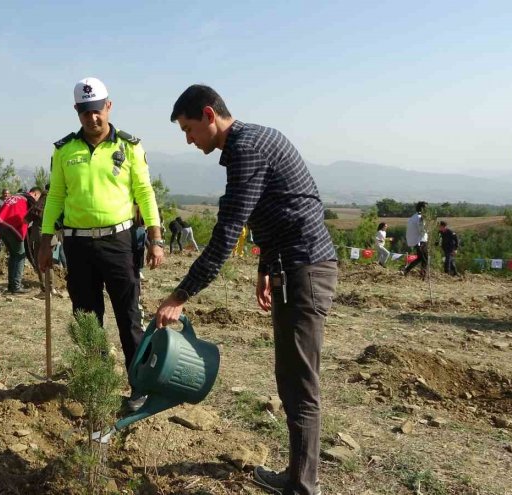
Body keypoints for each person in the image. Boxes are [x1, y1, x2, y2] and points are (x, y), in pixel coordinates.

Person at [154, 85, 337, 495]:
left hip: (305, 270)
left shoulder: (246, 150)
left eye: (188, 129)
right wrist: (265, 268)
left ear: (208, 114)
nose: (188, 139)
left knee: (300, 383)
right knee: (290, 375)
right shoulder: (256, 139)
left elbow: (225, 236)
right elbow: (282, 209)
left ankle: (303, 486)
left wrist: (180, 296)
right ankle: (297, 478)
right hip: (294, 265)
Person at [37, 77, 165, 410]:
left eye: (97, 111)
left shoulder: (130, 146)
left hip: (119, 242)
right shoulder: (64, 150)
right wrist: (45, 240)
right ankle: (96, 385)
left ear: (108, 106)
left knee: (128, 317)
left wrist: (155, 236)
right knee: (86, 318)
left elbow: (145, 194)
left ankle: (139, 387)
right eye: (85, 113)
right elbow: (56, 198)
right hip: (77, 247)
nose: (93, 119)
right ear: (77, 112)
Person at [0, 188, 41, 294]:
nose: (37, 201)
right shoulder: (26, 200)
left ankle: (11, 285)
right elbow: (23, 218)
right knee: (20, 255)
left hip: (2, 226)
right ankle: (16, 286)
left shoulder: (16, 196)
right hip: (11, 227)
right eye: (37, 198)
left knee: (13, 255)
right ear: (35, 193)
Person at [403, 201, 429, 279]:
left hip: (416, 240)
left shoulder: (414, 217)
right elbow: (422, 230)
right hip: (420, 241)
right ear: (423, 209)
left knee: (420, 258)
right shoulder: (420, 218)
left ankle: (406, 270)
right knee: (425, 258)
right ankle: (422, 275)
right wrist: (428, 230)